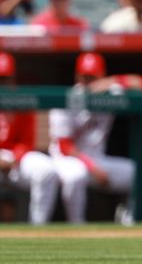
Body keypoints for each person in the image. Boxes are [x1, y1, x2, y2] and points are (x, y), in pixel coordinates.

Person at [48, 53, 137, 224]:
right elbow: (64, 145)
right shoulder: (67, 98)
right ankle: (77, 224)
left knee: (135, 173)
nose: (88, 82)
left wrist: (111, 82)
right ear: (77, 76)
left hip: (98, 159)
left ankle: (128, 221)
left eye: (93, 77)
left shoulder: (110, 92)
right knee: (76, 175)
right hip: (66, 160)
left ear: (101, 76)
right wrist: (92, 167)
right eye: (85, 77)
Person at [0, 52, 59, 225]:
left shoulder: (21, 100)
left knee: (46, 171)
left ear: (13, 79)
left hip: (14, 159)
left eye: (5, 79)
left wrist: (13, 159)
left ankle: (37, 228)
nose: (2, 84)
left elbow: (27, 142)